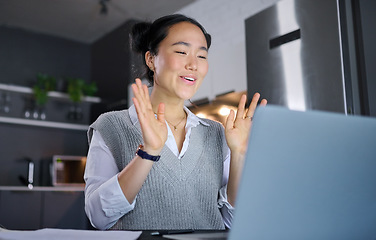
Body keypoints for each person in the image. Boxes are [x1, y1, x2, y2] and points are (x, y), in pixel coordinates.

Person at [84, 14, 267, 231]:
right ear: (151, 59)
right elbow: (98, 217)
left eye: (202, 56)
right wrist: (149, 153)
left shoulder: (217, 133)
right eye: (181, 52)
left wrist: (239, 154)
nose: (193, 65)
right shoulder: (111, 126)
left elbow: (231, 221)